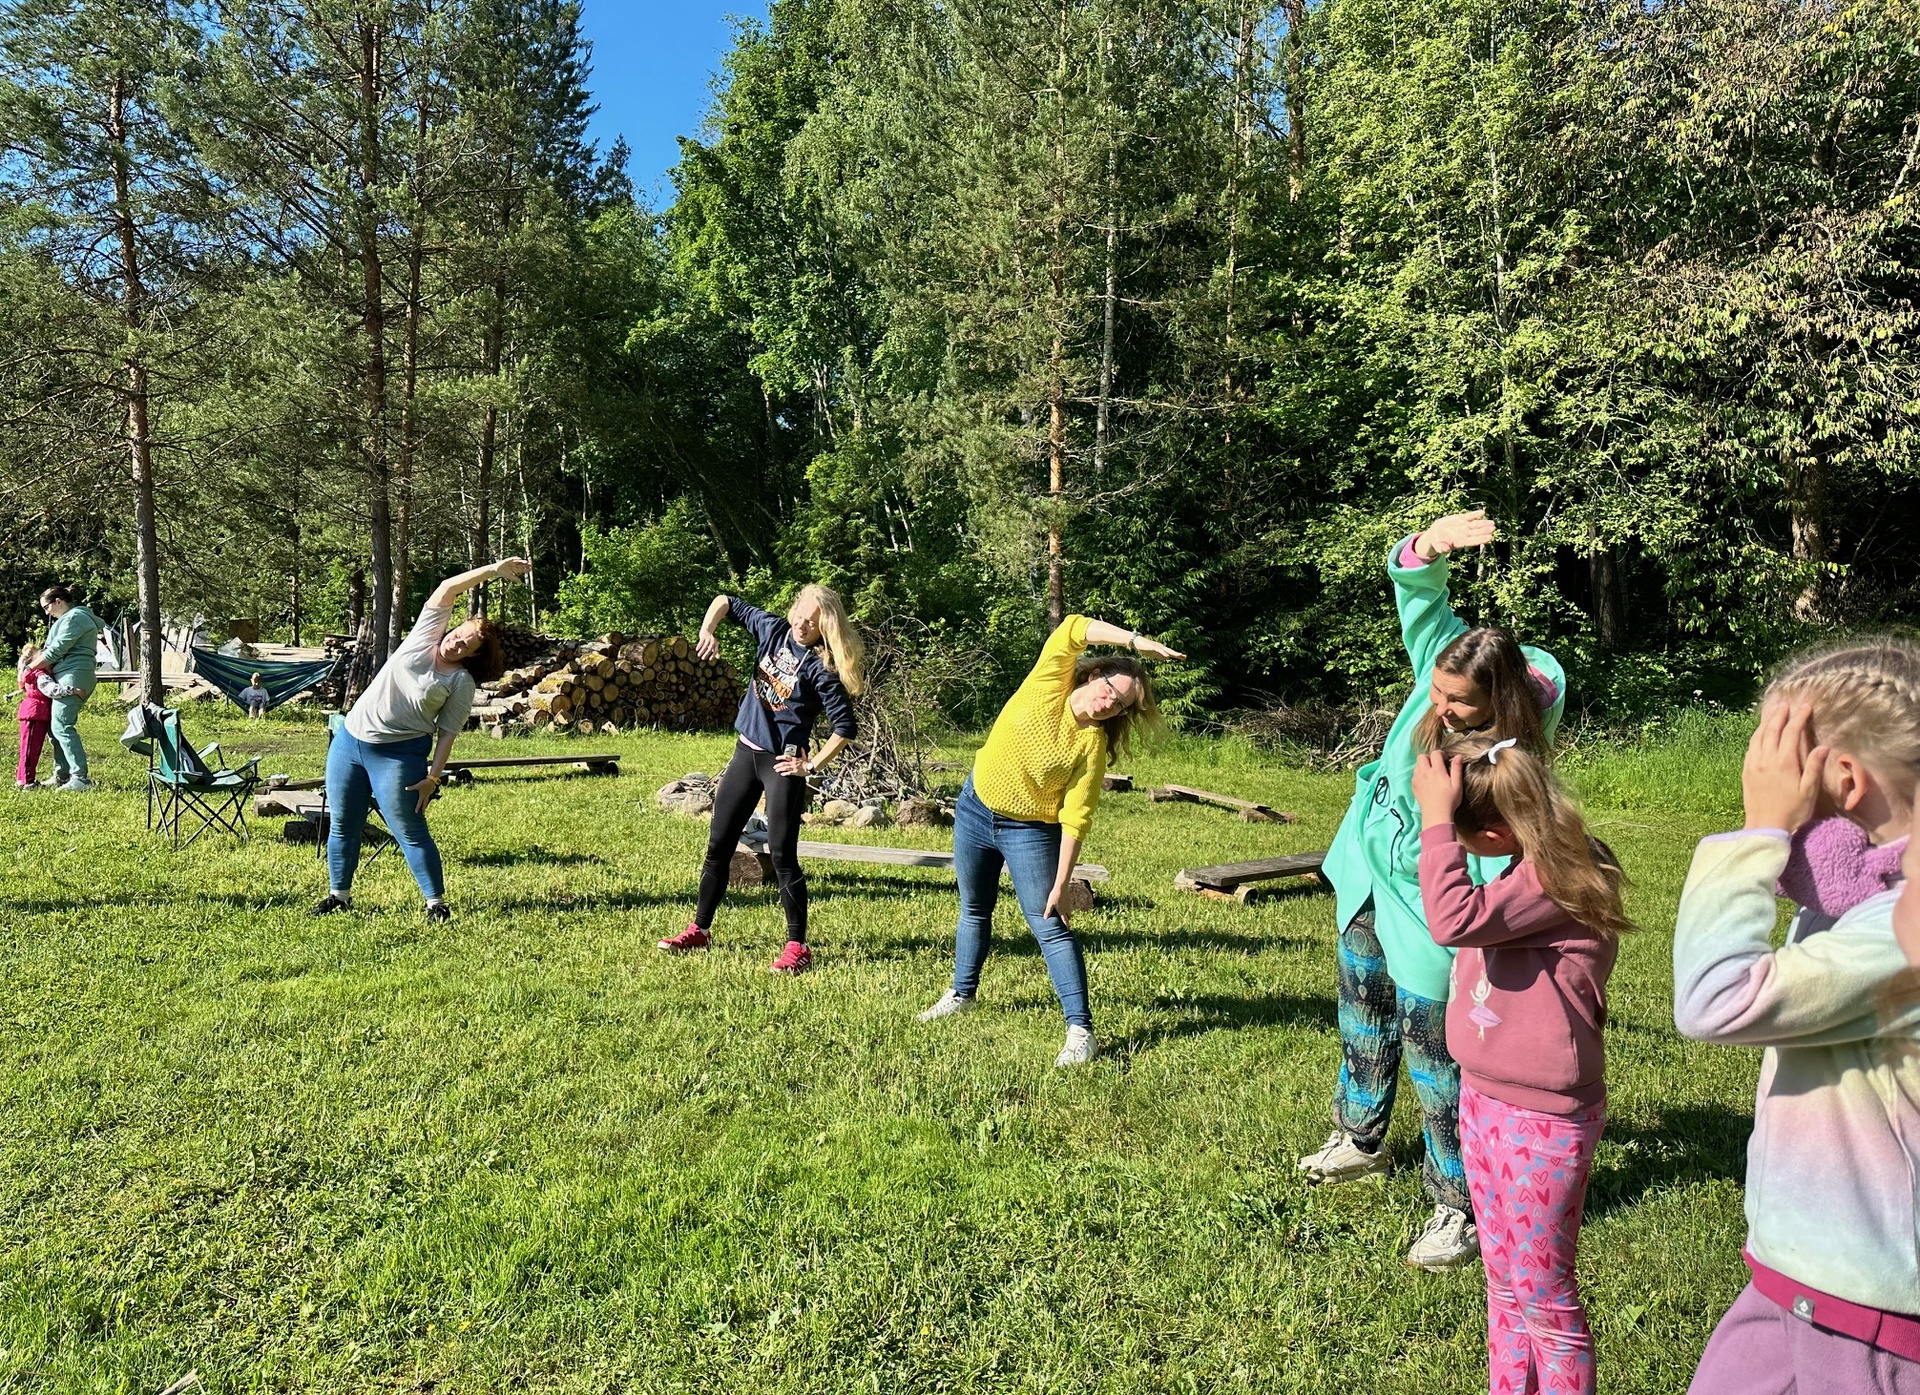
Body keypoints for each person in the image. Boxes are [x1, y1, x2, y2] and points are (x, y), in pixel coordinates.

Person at [1298, 509, 1567, 1273]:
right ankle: (1360, 1136)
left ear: (1501, 706)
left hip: (1433, 918)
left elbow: (1497, 877)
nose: (1437, 707)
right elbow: (1418, 598)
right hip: (1366, 875)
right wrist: (1426, 546)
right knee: (1361, 1013)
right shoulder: (1441, 675)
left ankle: (1461, 1202)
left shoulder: (1505, 771)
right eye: (1437, 691)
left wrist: (1480, 949)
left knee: (1439, 1060)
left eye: (1457, 702)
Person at [1675, 639, 1920, 1395]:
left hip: (1867, 1320)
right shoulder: (1862, 907)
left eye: (1778, 765)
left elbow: (1715, 997)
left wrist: (1758, 832)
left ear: (1843, 778)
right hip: (1791, 1278)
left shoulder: (1897, 936)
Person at [1413, 735, 1628, 1395]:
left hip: (1543, 1120)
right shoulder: (1527, 865)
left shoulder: (1560, 875)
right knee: (1505, 1282)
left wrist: (1436, 823)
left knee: (1544, 1298)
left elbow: (1452, 919)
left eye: (1466, 839)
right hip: (1484, 1099)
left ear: (1499, 831)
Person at [916, 615, 1182, 1066]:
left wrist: (1061, 885)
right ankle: (962, 994)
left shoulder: (1091, 746)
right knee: (974, 908)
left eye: (1120, 706)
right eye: (1110, 691)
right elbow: (1073, 629)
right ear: (1094, 675)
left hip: (1030, 831)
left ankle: (1081, 1031)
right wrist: (1137, 642)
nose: (1109, 705)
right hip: (974, 808)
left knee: (1049, 924)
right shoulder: (1048, 684)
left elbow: (1076, 819)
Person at [658, 586, 866, 974]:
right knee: (719, 844)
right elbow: (725, 601)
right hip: (745, 755)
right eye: (800, 616)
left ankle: (797, 946)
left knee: (783, 857)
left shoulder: (820, 667)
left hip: (781, 766)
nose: (802, 625)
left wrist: (811, 766)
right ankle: (699, 930)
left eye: (812, 623)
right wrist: (707, 631)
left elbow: (845, 728)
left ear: (825, 628)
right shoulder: (772, 629)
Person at [310, 559, 521, 924]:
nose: (456, 642)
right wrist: (493, 570)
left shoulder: (460, 682)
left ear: (473, 655)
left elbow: (448, 733)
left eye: (466, 644)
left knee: (409, 830)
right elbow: (446, 588)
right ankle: (338, 896)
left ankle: (436, 904)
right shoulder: (424, 637)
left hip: (398, 756)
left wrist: (432, 778)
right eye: (458, 633)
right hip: (349, 742)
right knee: (343, 822)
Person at [37, 586, 106, 792]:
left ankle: (80, 778)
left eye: (47, 607)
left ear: (58, 601)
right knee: (55, 727)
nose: (47, 613)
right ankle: (62, 774)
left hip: (75, 674)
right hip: (66, 673)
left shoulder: (75, 618)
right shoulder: (69, 619)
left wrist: (29, 668)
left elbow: (57, 650)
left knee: (62, 725)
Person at [16, 645, 75, 790]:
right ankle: (27, 781)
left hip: (36, 713)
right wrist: (73, 691)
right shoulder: (41, 675)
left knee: (29, 748)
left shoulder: (35, 673)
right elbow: (52, 690)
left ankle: (22, 778)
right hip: (34, 714)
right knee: (30, 749)